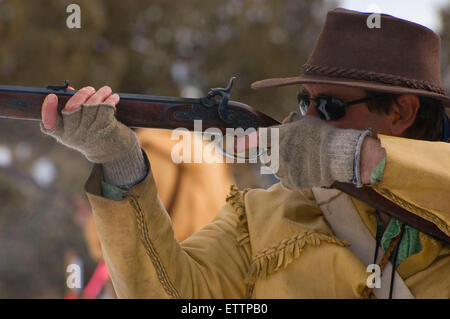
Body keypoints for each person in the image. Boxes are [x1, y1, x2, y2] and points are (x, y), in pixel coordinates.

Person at [40, 8, 450, 298]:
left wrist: (354, 156)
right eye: (305, 100)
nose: (308, 118)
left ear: (401, 112)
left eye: (330, 107)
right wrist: (118, 161)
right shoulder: (258, 219)